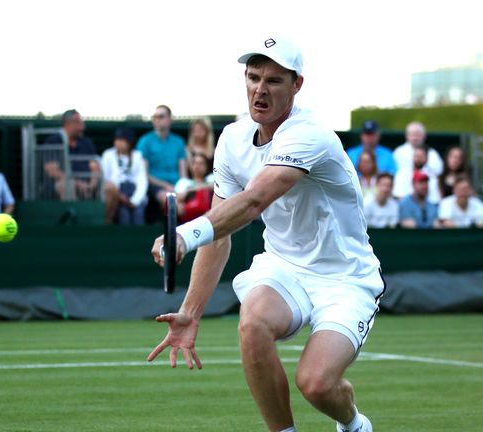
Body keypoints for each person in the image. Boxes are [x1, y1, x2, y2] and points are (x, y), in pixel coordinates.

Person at [147, 36, 381, 432]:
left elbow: (255, 201)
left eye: (273, 80)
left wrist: (185, 234)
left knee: (316, 384)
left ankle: (355, 425)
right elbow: (220, 233)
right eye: (253, 77)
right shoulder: (232, 140)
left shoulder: (311, 134)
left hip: (344, 279)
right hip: (284, 267)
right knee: (252, 321)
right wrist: (190, 312)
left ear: (297, 86)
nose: (260, 89)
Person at [136, 105, 188, 221]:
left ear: (170, 119)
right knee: (167, 198)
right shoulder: (144, 142)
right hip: (155, 187)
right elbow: (144, 174)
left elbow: (183, 173)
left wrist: (183, 187)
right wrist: (166, 186)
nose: (157, 119)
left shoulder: (179, 142)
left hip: (177, 186)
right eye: (155, 117)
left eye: (161, 116)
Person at [44, 109, 101, 200]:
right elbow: (52, 170)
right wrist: (77, 183)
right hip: (60, 186)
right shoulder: (53, 141)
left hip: (88, 186)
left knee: (109, 187)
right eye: (78, 123)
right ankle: (74, 214)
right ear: (67, 124)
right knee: (67, 186)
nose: (82, 128)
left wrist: (91, 185)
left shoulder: (86, 142)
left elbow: (94, 167)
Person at [101, 128, 148, 225]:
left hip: (134, 192)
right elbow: (105, 179)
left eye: (122, 140)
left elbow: (142, 181)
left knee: (138, 213)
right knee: (124, 215)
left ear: (129, 142)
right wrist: (119, 196)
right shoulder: (108, 155)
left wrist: (134, 201)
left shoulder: (138, 156)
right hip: (117, 193)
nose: (118, 143)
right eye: (117, 139)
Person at [174, 152, 215, 223]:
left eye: (201, 163)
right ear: (190, 166)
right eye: (195, 163)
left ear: (207, 166)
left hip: (210, 215)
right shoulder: (183, 182)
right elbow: (178, 197)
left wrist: (191, 190)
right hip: (188, 217)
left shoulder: (211, 178)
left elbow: (215, 187)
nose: (197, 166)